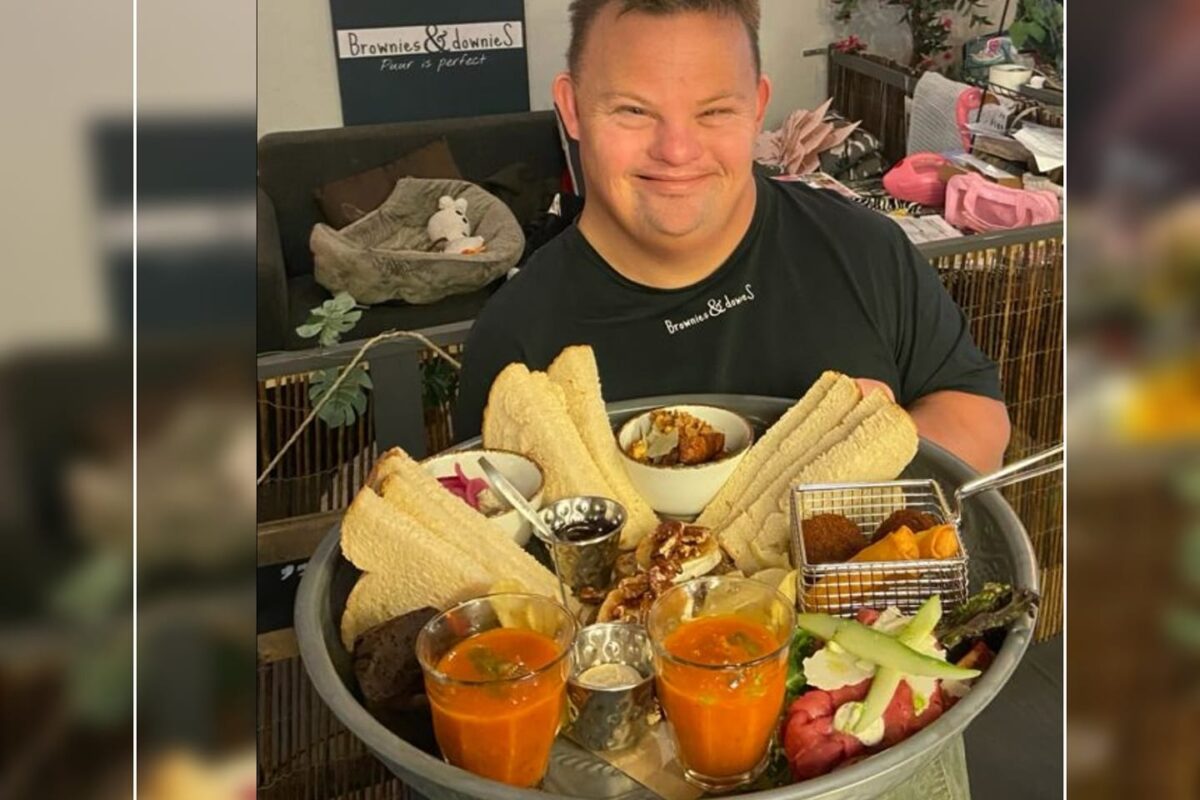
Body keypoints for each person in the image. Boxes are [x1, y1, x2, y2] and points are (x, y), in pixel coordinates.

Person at [453, 0, 1010, 473]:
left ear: (757, 107)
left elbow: (976, 415)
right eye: (634, 110)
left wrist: (865, 460)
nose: (676, 151)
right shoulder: (515, 339)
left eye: (715, 111)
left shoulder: (864, 249)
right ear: (573, 108)